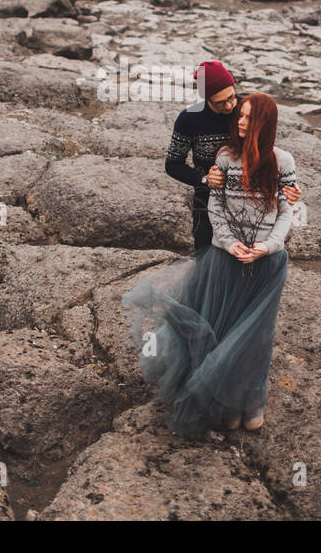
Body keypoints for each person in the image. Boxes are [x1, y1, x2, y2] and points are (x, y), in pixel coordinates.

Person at [126, 92, 297, 436]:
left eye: (249, 117)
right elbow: (214, 207)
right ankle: (225, 401)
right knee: (224, 328)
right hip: (225, 258)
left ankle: (251, 401)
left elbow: (286, 212)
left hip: (267, 264)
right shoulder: (225, 157)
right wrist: (229, 243)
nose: (241, 121)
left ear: (266, 123)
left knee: (256, 337)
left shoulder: (283, 162)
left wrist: (265, 247)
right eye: (241, 116)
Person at [165, 61, 299, 251]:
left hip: (252, 204)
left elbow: (266, 148)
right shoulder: (189, 119)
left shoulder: (247, 109)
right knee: (205, 257)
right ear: (207, 99)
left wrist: (288, 186)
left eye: (231, 97)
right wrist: (205, 179)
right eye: (220, 103)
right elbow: (173, 164)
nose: (229, 106)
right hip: (208, 202)